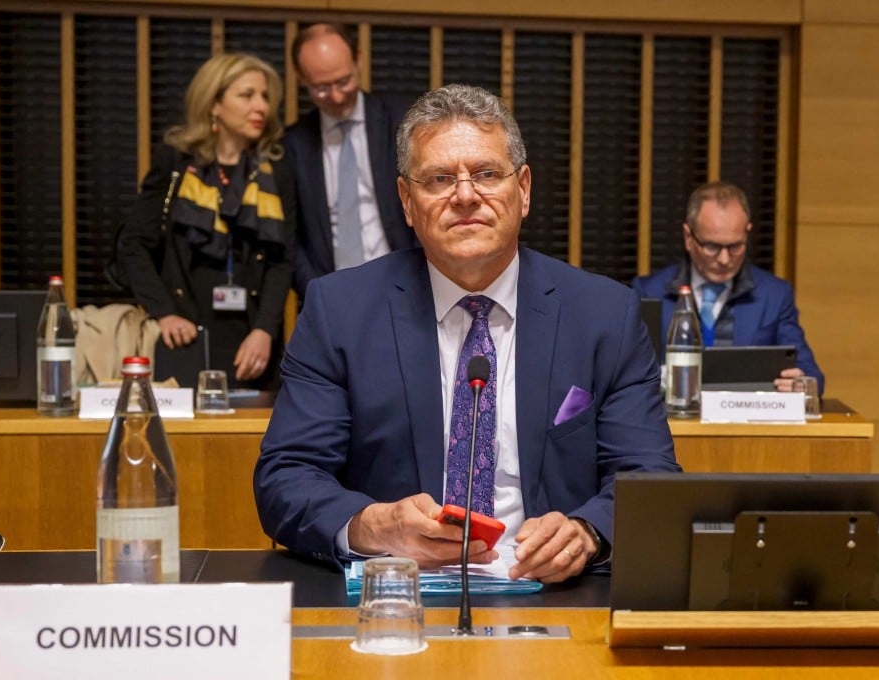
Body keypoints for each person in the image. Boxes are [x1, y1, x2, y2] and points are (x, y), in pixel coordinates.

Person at [254, 84, 680, 584]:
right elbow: (286, 477)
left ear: (523, 189)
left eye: (486, 174)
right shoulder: (340, 311)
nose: (464, 195)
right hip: (396, 593)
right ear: (406, 201)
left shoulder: (604, 314)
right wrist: (374, 526)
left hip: (554, 594)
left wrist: (587, 534)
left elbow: (649, 477)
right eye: (439, 179)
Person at [118, 53, 295, 390]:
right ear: (214, 103)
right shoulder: (175, 162)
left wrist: (265, 330)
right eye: (247, 95)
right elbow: (134, 245)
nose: (261, 106)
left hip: (252, 341)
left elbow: (282, 261)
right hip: (184, 334)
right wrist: (164, 313)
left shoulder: (275, 169)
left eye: (265, 96)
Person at [632, 181, 825, 394]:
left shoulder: (775, 295)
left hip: (746, 413)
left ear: (747, 233)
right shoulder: (648, 292)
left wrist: (801, 383)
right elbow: (628, 377)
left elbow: (812, 375)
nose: (724, 259)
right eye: (712, 246)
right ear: (688, 237)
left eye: (735, 246)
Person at [284, 23, 416, 297]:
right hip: (330, 296)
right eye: (321, 88)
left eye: (343, 81)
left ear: (358, 60)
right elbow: (291, 239)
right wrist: (318, 293)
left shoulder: (402, 122)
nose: (336, 95)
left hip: (406, 287)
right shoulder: (293, 145)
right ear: (301, 78)